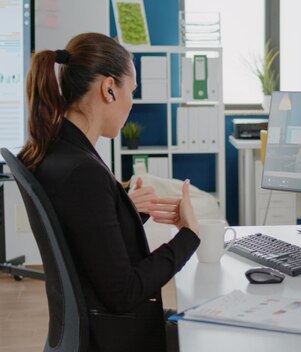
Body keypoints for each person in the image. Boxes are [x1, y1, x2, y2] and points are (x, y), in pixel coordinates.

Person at [18, 33, 200, 351]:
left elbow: (82, 238)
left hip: (96, 330)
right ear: (109, 89)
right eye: (132, 91)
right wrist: (188, 236)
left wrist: (123, 211)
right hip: (116, 335)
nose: (131, 102)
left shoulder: (59, 150)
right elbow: (124, 292)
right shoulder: (82, 171)